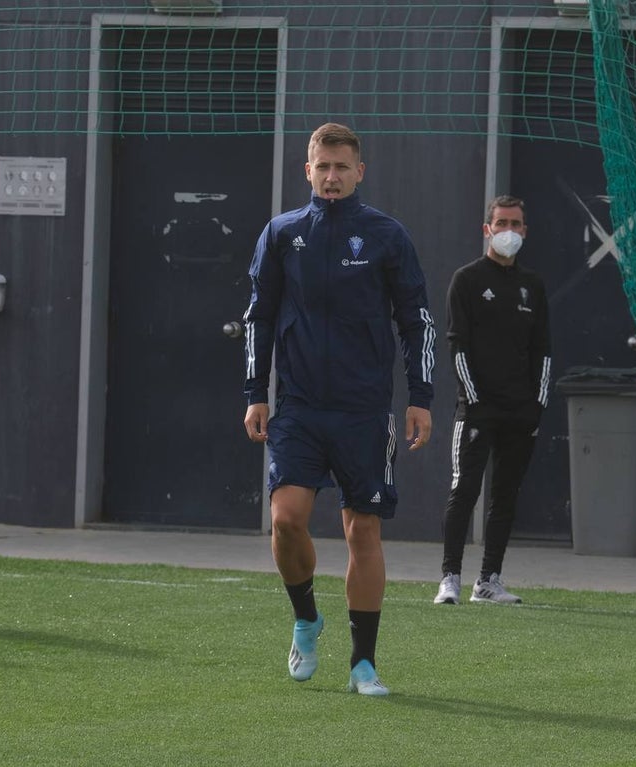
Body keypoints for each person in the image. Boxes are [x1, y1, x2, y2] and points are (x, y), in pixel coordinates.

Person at [242, 123, 435, 696]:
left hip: (364, 411)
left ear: (359, 172)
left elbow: (416, 320)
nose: (331, 177)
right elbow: (259, 316)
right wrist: (256, 391)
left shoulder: (386, 235)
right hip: (298, 405)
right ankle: (306, 617)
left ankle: (362, 664)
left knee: (363, 531)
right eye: (322, 167)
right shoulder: (281, 234)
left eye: (341, 167)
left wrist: (420, 398)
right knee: (286, 519)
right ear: (307, 171)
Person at [433, 195, 551, 606]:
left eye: (516, 224)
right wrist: (473, 396)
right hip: (477, 409)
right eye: (501, 223)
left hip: (520, 411)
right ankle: (450, 578)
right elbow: (457, 346)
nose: (509, 231)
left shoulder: (532, 285)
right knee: (464, 489)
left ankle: (489, 581)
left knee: (505, 495)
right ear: (487, 229)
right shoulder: (466, 279)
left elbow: (544, 351)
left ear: (525, 231)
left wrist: (537, 405)